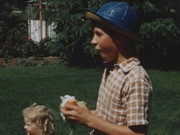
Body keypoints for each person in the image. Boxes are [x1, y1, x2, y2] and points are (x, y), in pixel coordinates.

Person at [61, 1, 153, 135]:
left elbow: (137, 133)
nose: (93, 41)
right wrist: (81, 114)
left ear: (119, 38)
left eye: (98, 34)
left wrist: (89, 118)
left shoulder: (135, 79)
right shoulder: (112, 68)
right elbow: (109, 116)